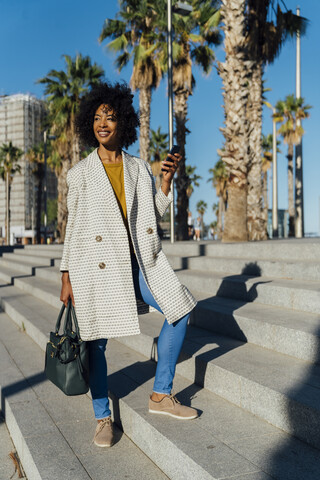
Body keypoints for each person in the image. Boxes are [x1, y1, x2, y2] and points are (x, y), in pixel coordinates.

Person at [59, 82, 198, 448]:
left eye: (111, 116)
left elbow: (152, 214)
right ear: (90, 123)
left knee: (179, 309)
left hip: (140, 262)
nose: (103, 123)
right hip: (96, 266)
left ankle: (160, 394)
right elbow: (72, 227)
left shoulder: (137, 168)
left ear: (124, 123)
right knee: (95, 342)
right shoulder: (80, 174)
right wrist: (65, 273)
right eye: (97, 117)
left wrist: (165, 183)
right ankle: (102, 417)